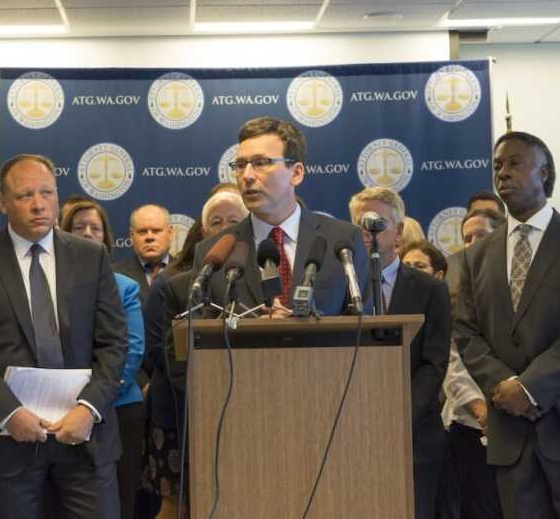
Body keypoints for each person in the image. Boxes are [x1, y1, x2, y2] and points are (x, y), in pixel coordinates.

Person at [0, 154, 128, 518]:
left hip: (83, 437)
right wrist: (8, 412)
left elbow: (113, 342)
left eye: (47, 192)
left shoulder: (91, 257)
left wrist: (89, 409)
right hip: (7, 441)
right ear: (3, 203)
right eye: (26, 194)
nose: (39, 203)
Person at [455, 131, 560, 518]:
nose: (502, 174)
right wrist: (503, 387)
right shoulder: (477, 256)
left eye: (515, 163)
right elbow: (466, 331)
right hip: (510, 434)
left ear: (544, 173)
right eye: (497, 166)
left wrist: (530, 388)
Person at [194, 116, 369, 316]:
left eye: (261, 163)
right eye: (241, 165)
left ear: (296, 173)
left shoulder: (343, 242)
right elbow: (200, 336)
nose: (247, 176)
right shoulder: (213, 255)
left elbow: (364, 327)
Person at [143, 190, 248, 519]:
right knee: (178, 506)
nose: (224, 227)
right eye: (215, 222)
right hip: (178, 410)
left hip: (243, 407)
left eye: (234, 221)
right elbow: (157, 350)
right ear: (202, 231)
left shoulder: (262, 279)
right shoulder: (174, 284)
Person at [349, 186, 450, 519]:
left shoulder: (430, 290)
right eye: (360, 224)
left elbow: (434, 364)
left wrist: (396, 415)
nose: (368, 232)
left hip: (414, 436)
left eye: (376, 223)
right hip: (351, 434)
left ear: (399, 231)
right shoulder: (336, 286)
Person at [61, 199, 145, 519]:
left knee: (116, 503)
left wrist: (95, 400)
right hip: (60, 412)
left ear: (107, 238)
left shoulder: (124, 287)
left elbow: (132, 349)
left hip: (118, 408)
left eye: (95, 228)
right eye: (78, 226)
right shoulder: (48, 285)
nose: (87, 233)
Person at [438, 205, 504, 519]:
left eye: (481, 234)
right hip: (468, 425)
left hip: (516, 416)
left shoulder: (520, 288)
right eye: (466, 238)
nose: (473, 243)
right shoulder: (454, 294)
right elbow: (453, 364)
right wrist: (482, 412)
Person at [114, 204, 174, 304]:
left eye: (156, 231)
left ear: (170, 233)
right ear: (131, 236)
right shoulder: (115, 275)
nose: (149, 237)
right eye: (142, 231)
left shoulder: (187, 273)